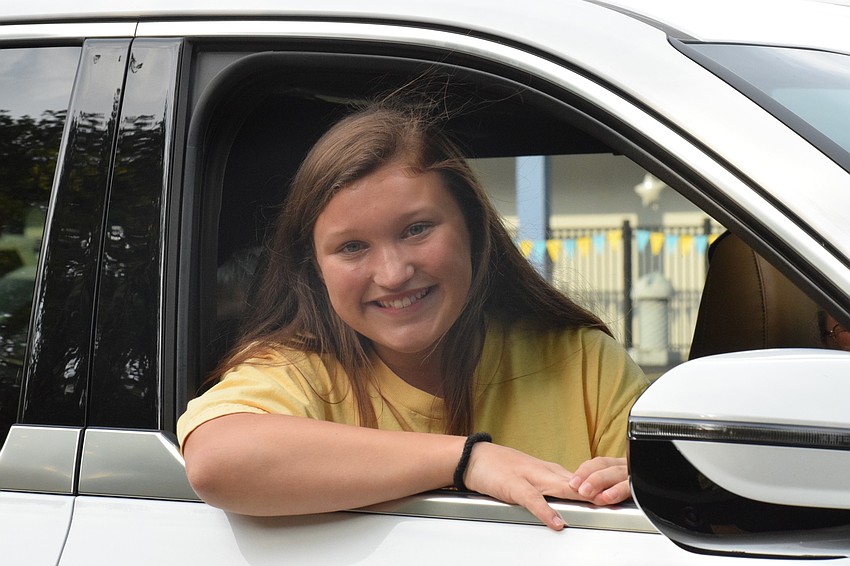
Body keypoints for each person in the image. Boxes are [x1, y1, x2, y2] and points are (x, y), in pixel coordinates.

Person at [178, 101, 650, 531]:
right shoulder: (299, 372)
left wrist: (641, 486)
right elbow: (216, 460)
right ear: (316, 268)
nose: (392, 273)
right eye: (352, 247)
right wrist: (469, 461)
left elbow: (677, 506)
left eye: (416, 229)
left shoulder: (583, 361)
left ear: (473, 228)